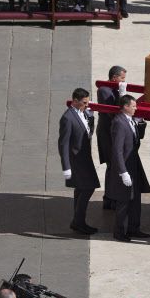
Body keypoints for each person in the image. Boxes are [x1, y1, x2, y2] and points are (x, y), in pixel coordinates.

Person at [106, 94, 150, 242]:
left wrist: (140, 123)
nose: (136, 108)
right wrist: (123, 172)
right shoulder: (119, 123)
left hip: (134, 166)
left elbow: (138, 139)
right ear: (125, 107)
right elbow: (117, 150)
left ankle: (134, 228)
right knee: (124, 201)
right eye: (133, 106)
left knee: (135, 199)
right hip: (125, 167)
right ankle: (119, 232)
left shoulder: (130, 120)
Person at [58, 88, 99, 235]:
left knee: (81, 188)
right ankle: (78, 221)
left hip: (85, 157)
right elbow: (63, 144)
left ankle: (78, 221)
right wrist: (66, 167)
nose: (87, 105)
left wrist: (91, 117)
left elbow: (88, 133)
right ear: (75, 101)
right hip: (76, 160)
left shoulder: (83, 113)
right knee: (88, 187)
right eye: (84, 103)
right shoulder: (67, 118)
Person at [97, 66, 126, 209]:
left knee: (115, 165)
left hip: (113, 131)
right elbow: (113, 112)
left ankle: (111, 197)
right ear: (114, 77)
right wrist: (122, 96)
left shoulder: (114, 89)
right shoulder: (104, 90)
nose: (124, 81)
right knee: (112, 165)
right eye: (122, 78)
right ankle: (109, 198)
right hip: (107, 133)